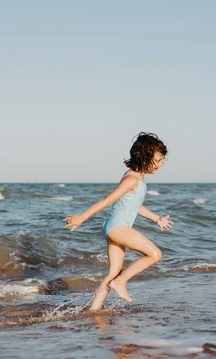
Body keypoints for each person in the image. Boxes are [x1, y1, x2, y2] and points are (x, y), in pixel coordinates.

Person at [63, 132, 173, 312]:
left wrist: (156, 218)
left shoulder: (137, 178)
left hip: (113, 228)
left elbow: (135, 205)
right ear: (145, 157)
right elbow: (107, 200)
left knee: (113, 272)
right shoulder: (131, 179)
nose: (160, 165)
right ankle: (121, 282)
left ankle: (94, 310)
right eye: (158, 160)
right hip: (118, 228)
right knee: (155, 255)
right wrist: (82, 217)